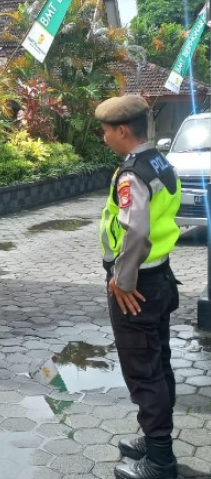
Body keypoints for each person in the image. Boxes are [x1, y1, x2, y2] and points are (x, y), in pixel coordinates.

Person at [96, 96, 181, 479]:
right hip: (159, 276)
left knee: (143, 372)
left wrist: (122, 280)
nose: (104, 137)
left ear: (122, 130)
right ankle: (154, 438)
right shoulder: (160, 162)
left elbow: (136, 231)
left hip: (137, 285)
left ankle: (161, 460)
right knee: (157, 363)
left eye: (106, 130)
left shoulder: (132, 174)